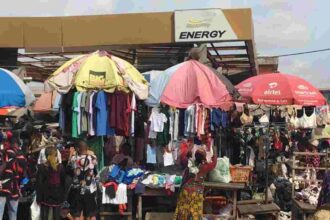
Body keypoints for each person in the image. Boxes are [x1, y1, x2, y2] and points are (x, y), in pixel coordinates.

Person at [173, 137, 217, 220]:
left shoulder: (189, 163)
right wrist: (213, 147)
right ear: (204, 159)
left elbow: (185, 156)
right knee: (195, 214)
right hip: (197, 193)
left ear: (196, 157)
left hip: (186, 190)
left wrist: (191, 145)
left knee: (183, 213)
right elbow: (214, 162)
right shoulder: (205, 167)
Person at [0, 132, 27, 220]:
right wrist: (23, 185)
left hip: (3, 186)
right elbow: (26, 174)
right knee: (13, 213)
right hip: (15, 187)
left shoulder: (4, 153)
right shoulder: (20, 155)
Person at [68, 141, 98, 220]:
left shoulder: (74, 159)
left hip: (77, 189)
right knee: (91, 214)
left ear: (77, 149)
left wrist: (71, 154)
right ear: (87, 148)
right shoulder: (93, 158)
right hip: (90, 190)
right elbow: (95, 171)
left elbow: (68, 169)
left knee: (76, 214)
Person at [36, 147, 66, 220]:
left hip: (45, 194)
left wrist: (38, 198)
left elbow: (39, 184)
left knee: (44, 216)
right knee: (56, 216)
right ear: (56, 155)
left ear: (46, 156)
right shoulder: (61, 167)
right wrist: (63, 196)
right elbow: (63, 182)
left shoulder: (42, 167)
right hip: (57, 194)